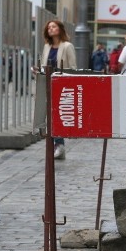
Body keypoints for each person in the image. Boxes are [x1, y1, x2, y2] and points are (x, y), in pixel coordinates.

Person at [39, 19, 76, 159]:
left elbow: (73, 68)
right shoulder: (47, 47)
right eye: (49, 27)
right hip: (48, 84)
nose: (51, 29)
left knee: (58, 115)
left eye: (53, 26)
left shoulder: (67, 46)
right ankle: (57, 145)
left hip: (62, 85)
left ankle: (59, 144)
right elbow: (44, 65)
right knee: (50, 115)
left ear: (60, 29)